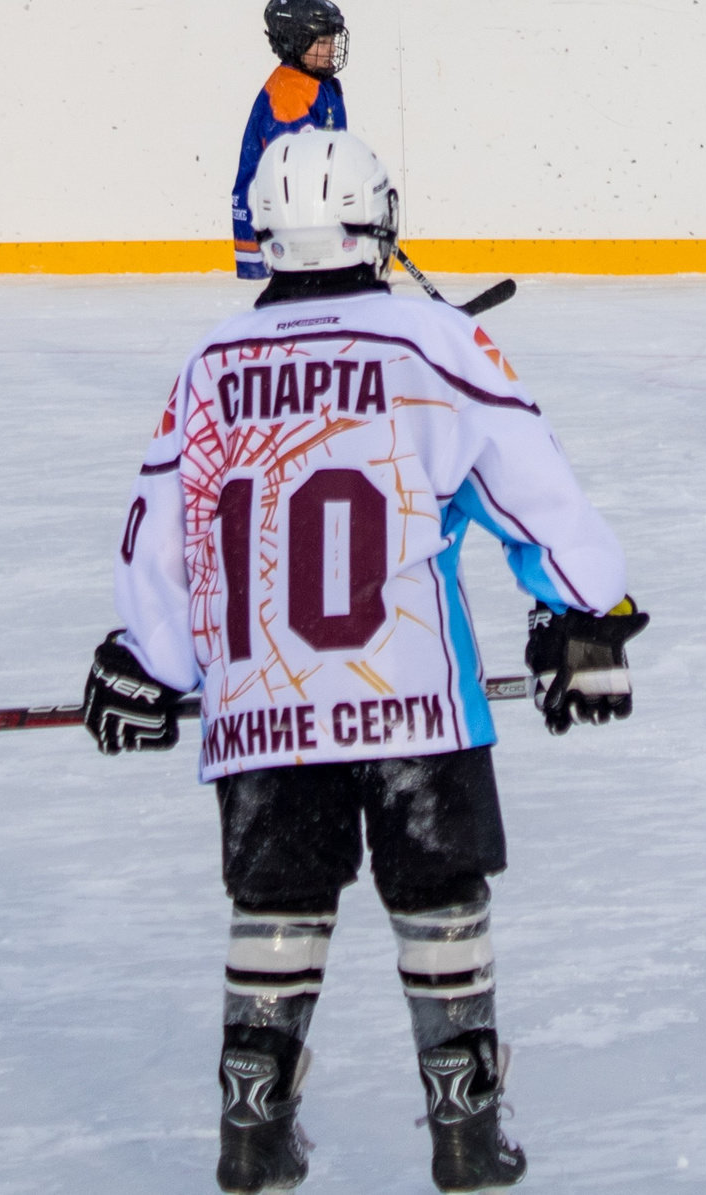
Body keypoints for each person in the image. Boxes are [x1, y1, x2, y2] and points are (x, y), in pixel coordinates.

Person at [86, 129, 648, 1194]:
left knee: (277, 903)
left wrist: (151, 663)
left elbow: (164, 538)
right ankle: (467, 1135)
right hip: (414, 701)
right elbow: (532, 489)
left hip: (260, 706)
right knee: (438, 892)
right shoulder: (435, 342)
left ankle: (252, 1133)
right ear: (378, 221)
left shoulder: (208, 363)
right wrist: (584, 614)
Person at [231, 0, 350, 279]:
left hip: (302, 224)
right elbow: (295, 175)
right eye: (322, 42)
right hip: (277, 230)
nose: (332, 48)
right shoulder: (290, 93)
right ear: (293, 42)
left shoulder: (319, 84)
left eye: (332, 40)